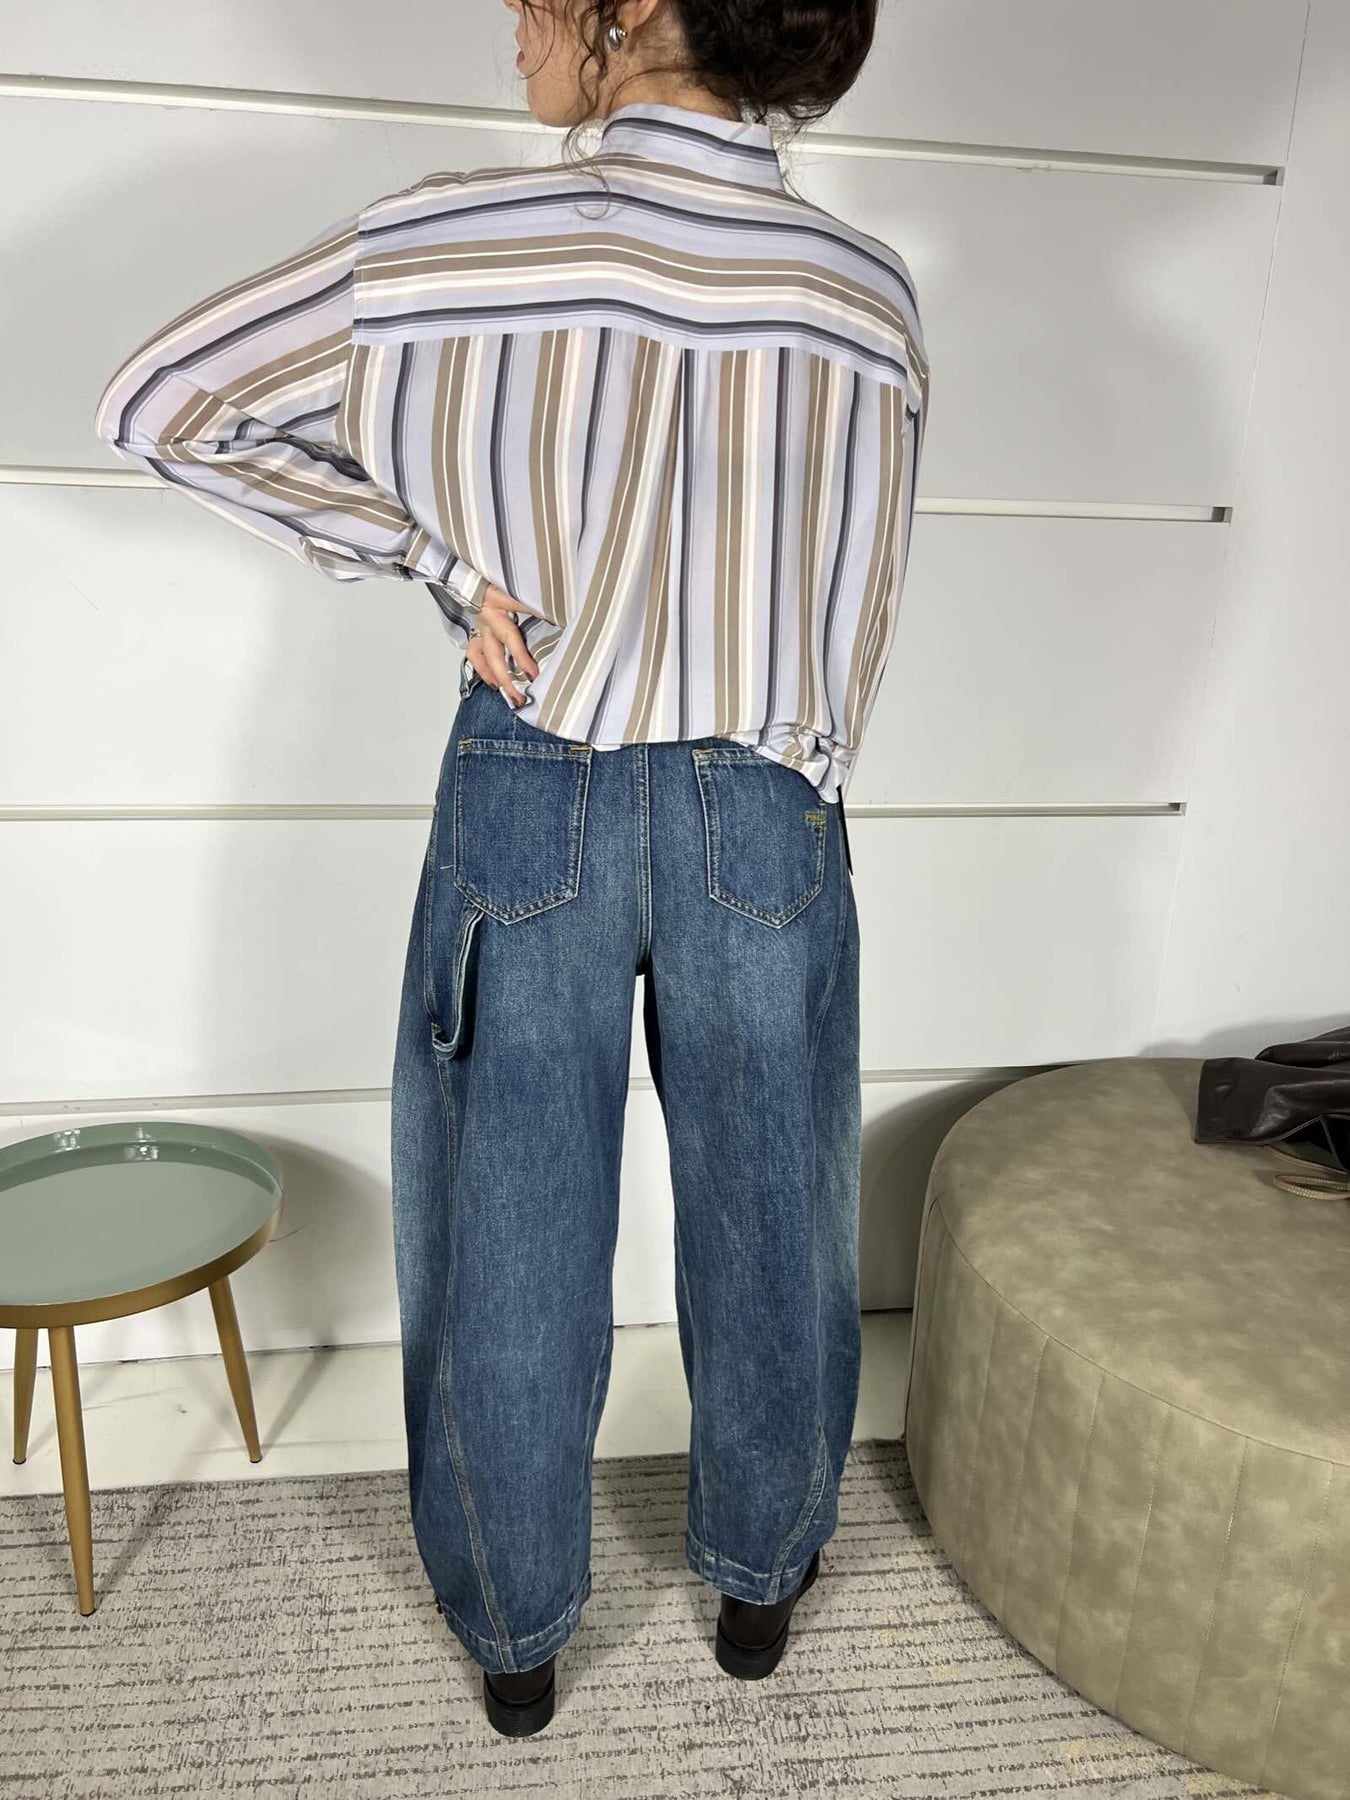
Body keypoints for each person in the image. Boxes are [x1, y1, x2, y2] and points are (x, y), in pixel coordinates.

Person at [93, 0, 928, 1741]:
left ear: (629, 9)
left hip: (532, 768)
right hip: (767, 799)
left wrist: (432, 558)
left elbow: (161, 401)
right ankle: (760, 1579)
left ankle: (517, 1632)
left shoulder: (448, 237)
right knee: (777, 1216)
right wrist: (795, 751)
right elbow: (859, 593)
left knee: (506, 1225)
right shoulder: (862, 293)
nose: (512, 24)